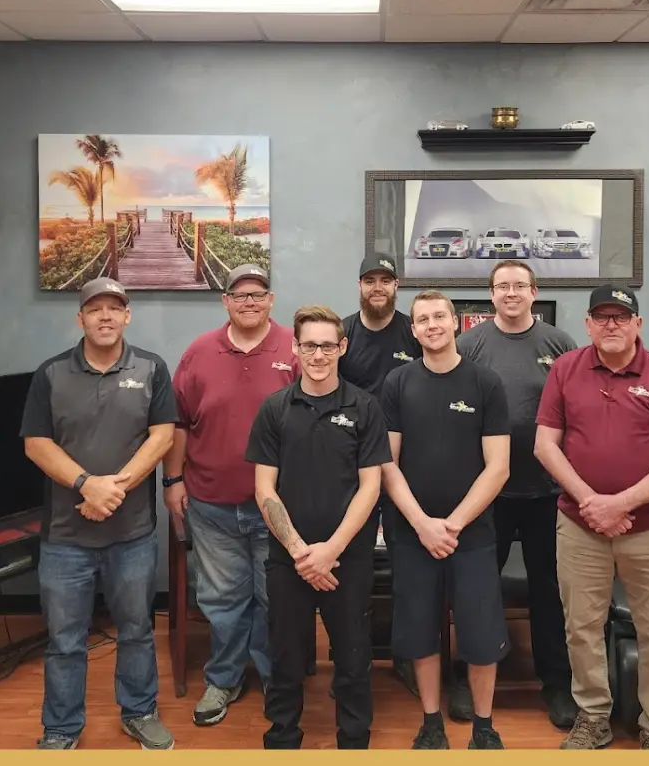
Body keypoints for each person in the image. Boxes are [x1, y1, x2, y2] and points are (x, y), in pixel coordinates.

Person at [534, 284, 649, 751]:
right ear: (587, 324)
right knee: (581, 627)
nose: (611, 325)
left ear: (637, 325)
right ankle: (593, 717)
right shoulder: (565, 369)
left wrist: (619, 504)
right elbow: (546, 445)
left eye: (621, 317)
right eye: (601, 317)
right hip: (580, 526)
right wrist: (593, 503)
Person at [20, 277, 178, 751]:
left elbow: (163, 436)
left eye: (115, 308)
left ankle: (139, 712)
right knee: (65, 640)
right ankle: (62, 728)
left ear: (127, 316)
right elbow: (36, 444)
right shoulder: (50, 374)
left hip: (132, 533)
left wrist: (116, 487)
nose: (105, 316)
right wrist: (88, 485)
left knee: (136, 630)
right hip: (65, 537)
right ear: (81, 318)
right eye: (95, 309)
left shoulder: (152, 368)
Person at [245, 304, 392, 750]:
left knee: (351, 657)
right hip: (288, 559)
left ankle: (353, 741)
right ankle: (283, 738)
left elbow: (371, 488)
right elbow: (264, 489)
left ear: (342, 348)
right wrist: (299, 552)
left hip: (347, 558)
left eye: (328, 345)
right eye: (310, 345)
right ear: (295, 347)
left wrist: (331, 550)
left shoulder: (365, 408)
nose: (319, 354)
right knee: (286, 657)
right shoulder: (274, 409)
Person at [165, 264, 300, 726]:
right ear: (225, 301)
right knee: (222, 600)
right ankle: (222, 679)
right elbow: (179, 422)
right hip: (209, 503)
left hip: (276, 507)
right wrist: (173, 479)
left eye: (257, 294)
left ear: (270, 299)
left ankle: (273, 679)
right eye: (239, 295)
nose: (249, 302)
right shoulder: (198, 352)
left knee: (273, 598)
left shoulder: (294, 348)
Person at [380, 290, 511, 750]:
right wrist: (421, 524)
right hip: (412, 534)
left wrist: (450, 525)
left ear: (456, 323)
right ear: (412, 329)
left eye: (440, 316)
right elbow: (386, 464)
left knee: (480, 633)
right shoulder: (396, 383)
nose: (432, 324)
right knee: (420, 632)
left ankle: (483, 726)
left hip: (471, 535)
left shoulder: (485, 383)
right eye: (422, 319)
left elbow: (498, 467)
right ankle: (431, 721)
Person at [456, 260, 578, 728]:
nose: (511, 293)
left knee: (551, 591)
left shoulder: (559, 343)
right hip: (490, 494)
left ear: (533, 292)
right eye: (502, 286)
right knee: (480, 590)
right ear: (491, 295)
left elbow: (574, 412)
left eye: (519, 286)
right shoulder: (471, 344)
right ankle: (475, 679)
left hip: (548, 492)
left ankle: (557, 683)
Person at [338, 253, 422, 696]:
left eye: (385, 280)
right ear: (359, 285)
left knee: (409, 570)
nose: (377, 287)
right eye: (369, 279)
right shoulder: (343, 335)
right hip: (350, 472)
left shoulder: (415, 330)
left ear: (396, 286)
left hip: (406, 472)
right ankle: (351, 664)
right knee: (354, 572)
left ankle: (409, 659)